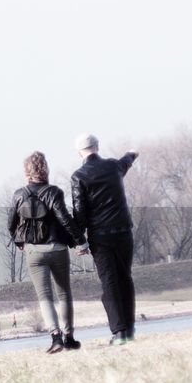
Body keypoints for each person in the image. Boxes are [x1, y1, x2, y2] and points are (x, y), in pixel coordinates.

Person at [7, 151, 86, 354]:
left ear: (27, 172)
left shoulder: (19, 195)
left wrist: (20, 242)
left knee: (45, 297)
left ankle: (55, 337)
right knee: (64, 294)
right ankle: (69, 337)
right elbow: (65, 219)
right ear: (45, 169)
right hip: (57, 248)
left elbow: (11, 224)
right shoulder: (54, 192)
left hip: (34, 252)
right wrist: (80, 242)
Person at [70, 133, 139, 346]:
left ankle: (119, 332)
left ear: (78, 152)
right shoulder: (112, 166)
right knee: (125, 278)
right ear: (97, 146)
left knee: (109, 283)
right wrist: (132, 153)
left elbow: (79, 212)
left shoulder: (78, 177)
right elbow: (126, 162)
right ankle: (129, 329)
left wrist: (79, 240)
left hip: (100, 237)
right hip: (123, 231)